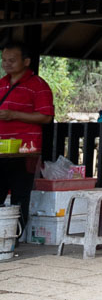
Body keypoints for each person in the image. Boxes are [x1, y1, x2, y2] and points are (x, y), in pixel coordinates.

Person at [0, 42, 54, 232]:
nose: (7, 64)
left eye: (12, 60)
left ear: (26, 61)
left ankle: (15, 236)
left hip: (26, 150)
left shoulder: (38, 85)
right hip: (2, 149)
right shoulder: (2, 83)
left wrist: (14, 114)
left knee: (20, 194)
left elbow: (46, 116)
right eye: (4, 60)